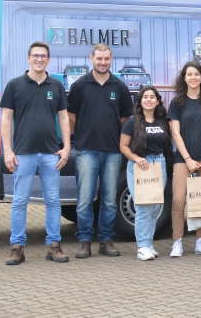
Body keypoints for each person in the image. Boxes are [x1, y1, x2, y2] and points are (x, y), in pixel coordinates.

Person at [3, 42, 71, 265]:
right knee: (20, 201)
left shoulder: (57, 85)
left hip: (51, 153)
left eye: (43, 56)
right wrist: (8, 150)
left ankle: (53, 246)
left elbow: (63, 117)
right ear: (28, 58)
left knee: (53, 200)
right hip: (23, 153)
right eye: (35, 55)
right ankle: (17, 248)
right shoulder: (15, 85)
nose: (39, 59)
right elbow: (6, 119)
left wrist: (67, 147)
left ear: (48, 59)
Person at [67, 43, 133, 258]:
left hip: (113, 151)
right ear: (91, 58)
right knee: (85, 199)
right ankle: (85, 240)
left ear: (111, 59)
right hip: (86, 150)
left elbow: (124, 118)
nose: (102, 62)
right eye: (99, 59)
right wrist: (86, 133)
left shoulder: (120, 87)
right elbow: (71, 117)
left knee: (110, 199)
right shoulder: (80, 86)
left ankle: (105, 239)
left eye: (106, 59)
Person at [168, 61, 201, 257]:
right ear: (184, 78)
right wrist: (188, 159)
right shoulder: (177, 103)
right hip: (183, 159)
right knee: (179, 200)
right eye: (189, 74)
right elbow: (175, 133)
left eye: (196, 74)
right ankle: (177, 242)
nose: (193, 78)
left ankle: (200, 242)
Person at [119, 85, 173, 260]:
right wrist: (136, 158)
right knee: (142, 207)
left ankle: (149, 244)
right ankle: (142, 247)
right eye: (145, 97)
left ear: (157, 101)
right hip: (140, 165)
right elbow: (123, 146)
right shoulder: (132, 122)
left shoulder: (163, 121)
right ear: (140, 101)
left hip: (159, 164)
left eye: (152, 97)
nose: (149, 100)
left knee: (155, 206)